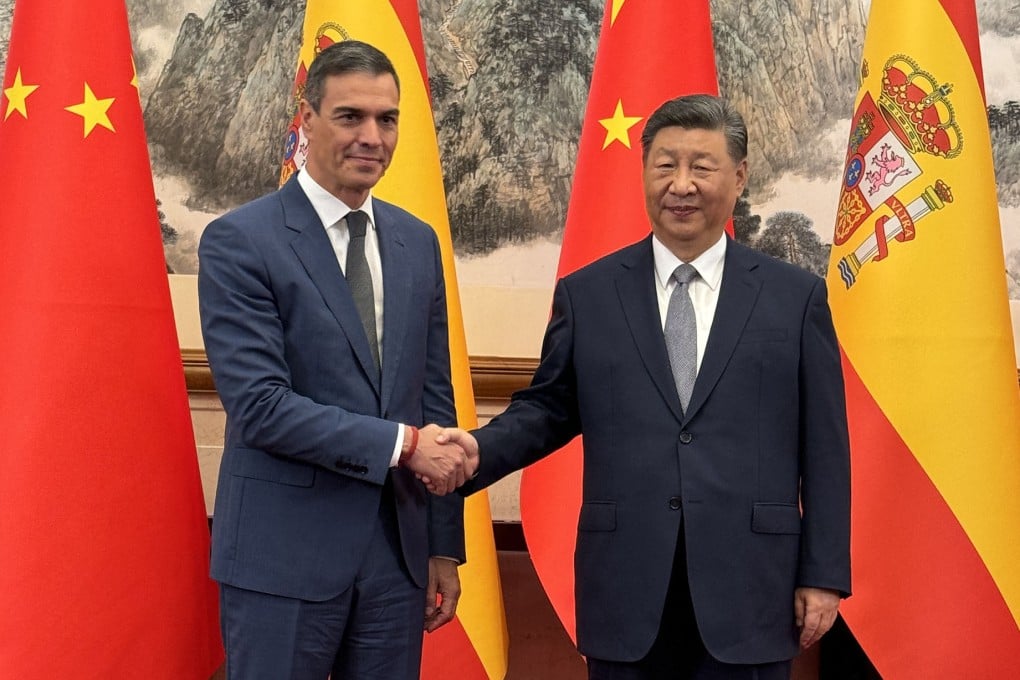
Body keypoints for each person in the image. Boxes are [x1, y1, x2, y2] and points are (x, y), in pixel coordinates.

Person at [441, 94, 851, 679]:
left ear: (738, 177)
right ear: (644, 173)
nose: (680, 184)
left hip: (753, 586)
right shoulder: (590, 294)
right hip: (626, 584)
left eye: (701, 167)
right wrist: (477, 450)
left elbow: (826, 449)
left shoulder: (795, 299)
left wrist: (824, 573)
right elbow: (550, 408)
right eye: (664, 165)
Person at [198, 40, 475, 680]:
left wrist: (442, 545)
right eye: (351, 116)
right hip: (281, 557)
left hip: (396, 560)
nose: (372, 137)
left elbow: (434, 397)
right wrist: (405, 446)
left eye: (388, 119)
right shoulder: (241, 241)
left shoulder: (416, 241)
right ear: (307, 118)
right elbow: (261, 408)